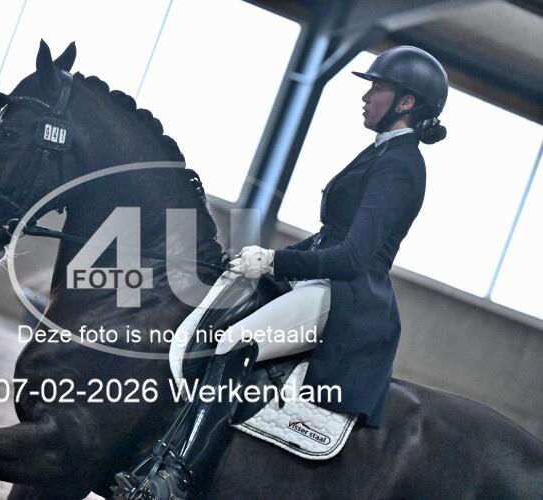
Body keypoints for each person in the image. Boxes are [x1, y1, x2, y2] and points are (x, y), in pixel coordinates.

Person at [114, 45, 448, 500]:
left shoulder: (401, 165)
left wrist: (275, 263)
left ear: (406, 102)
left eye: (378, 88)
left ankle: (177, 476)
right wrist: (259, 258)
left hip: (347, 297)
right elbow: (330, 235)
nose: (366, 96)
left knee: (234, 342)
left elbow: (352, 257)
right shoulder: (382, 153)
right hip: (326, 281)